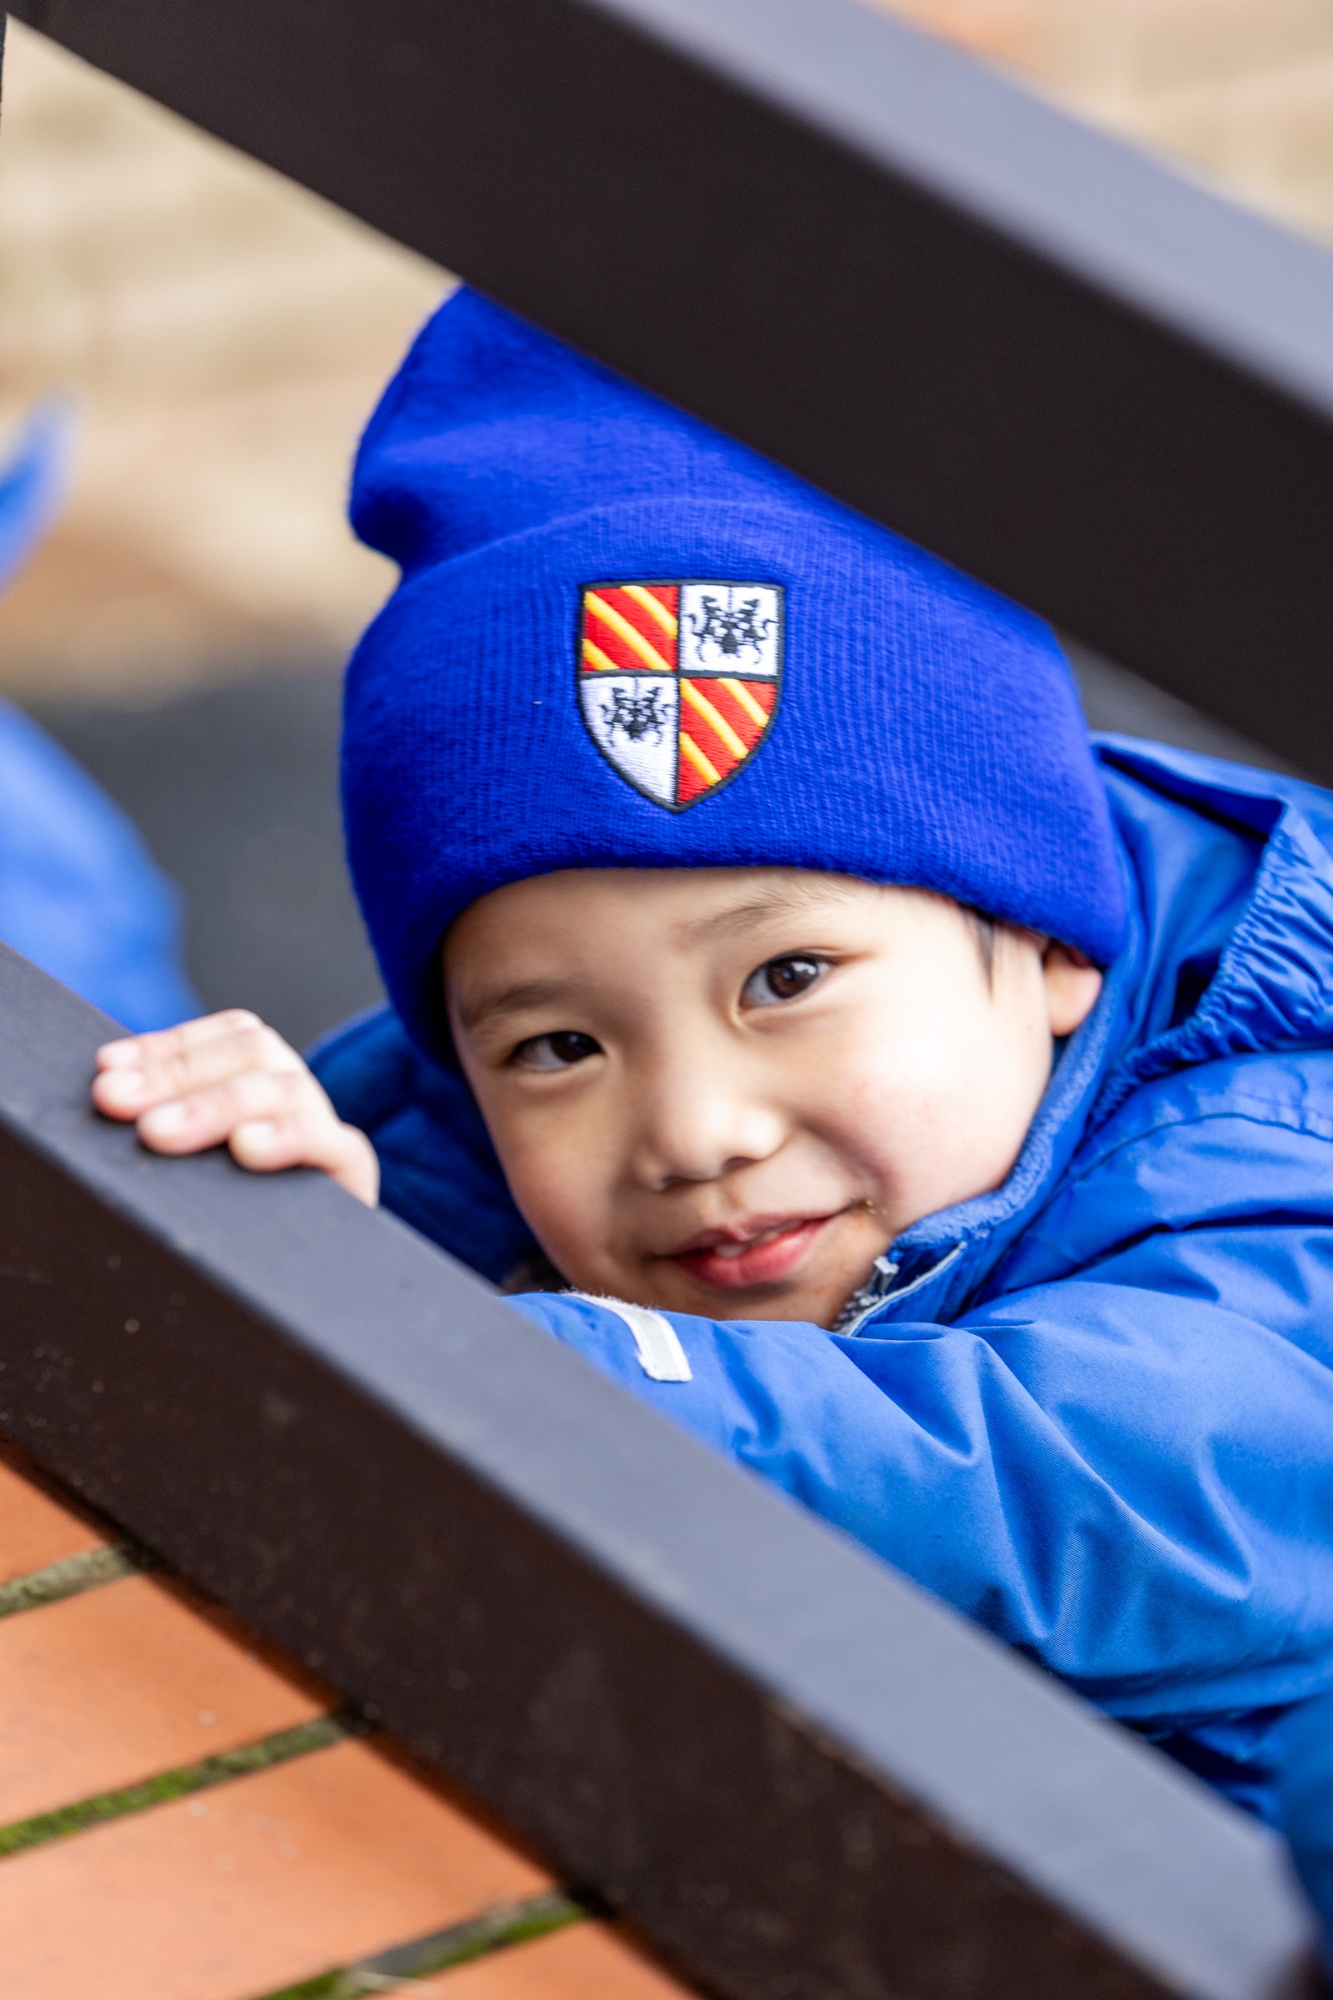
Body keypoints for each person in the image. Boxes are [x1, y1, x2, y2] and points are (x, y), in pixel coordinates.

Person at [91, 289, 1333, 1823]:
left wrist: (484, 1364)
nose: (694, 1129)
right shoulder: (448, 1158)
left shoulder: (1276, 1148)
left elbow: (1113, 1497)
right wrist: (294, 1226)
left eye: (787, 978)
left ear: (1051, 940)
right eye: (556, 1044)